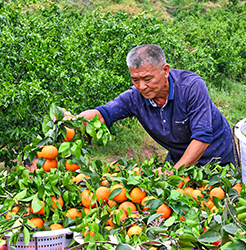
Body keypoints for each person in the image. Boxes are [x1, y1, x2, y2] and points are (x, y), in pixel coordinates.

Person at [77, 44, 236, 169]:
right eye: (135, 80)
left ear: (165, 70)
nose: (142, 86)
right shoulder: (135, 97)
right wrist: (71, 121)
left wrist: (173, 173)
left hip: (217, 158)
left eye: (147, 79)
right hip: (179, 159)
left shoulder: (191, 87)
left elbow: (202, 137)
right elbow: (103, 114)